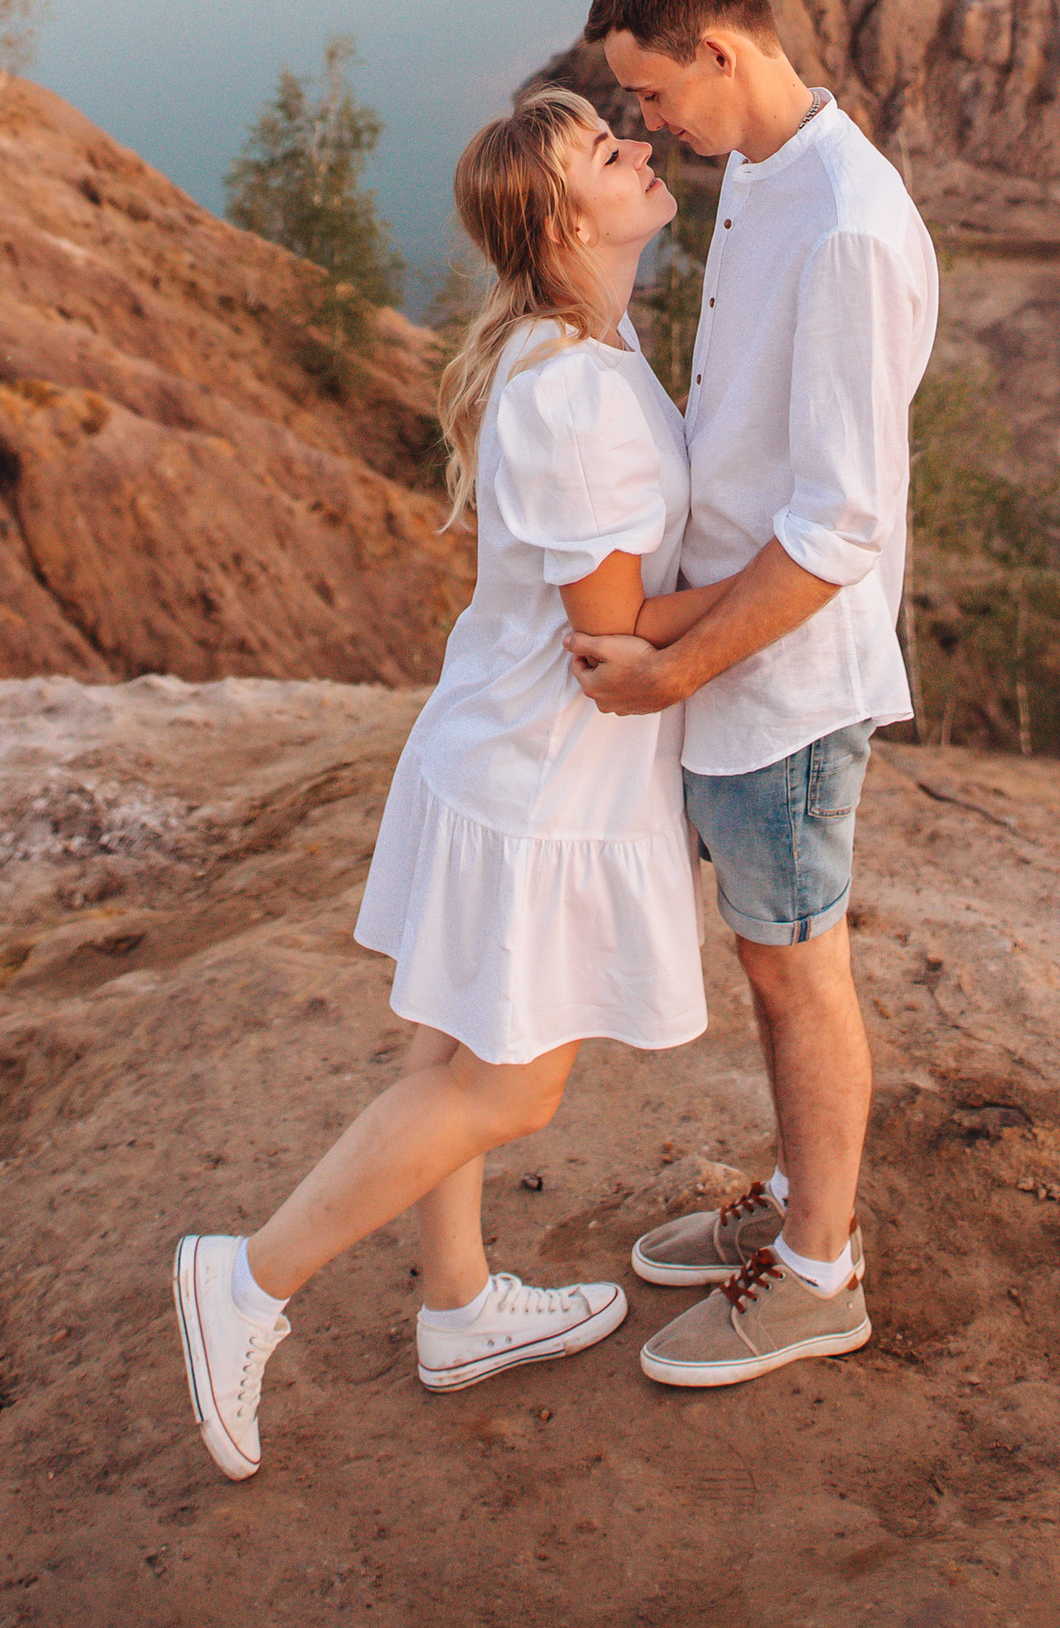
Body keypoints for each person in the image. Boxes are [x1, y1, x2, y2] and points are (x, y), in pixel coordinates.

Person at [171, 86, 726, 1479]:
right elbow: (609, 632)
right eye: (611, 153)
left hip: (501, 753)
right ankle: (248, 1279)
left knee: (457, 1041)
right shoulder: (580, 393)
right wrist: (781, 599)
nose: (642, 151)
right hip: (541, 774)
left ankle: (462, 1307)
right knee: (514, 1086)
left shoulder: (580, 352)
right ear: (558, 221)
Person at [569, 0, 937, 1391]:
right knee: (776, 964)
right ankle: (799, 1201)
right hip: (737, 663)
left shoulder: (845, 219)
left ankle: (821, 1273)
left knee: (798, 976)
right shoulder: (770, 175)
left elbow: (841, 523)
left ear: (720, 51)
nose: (646, 126)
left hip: (785, 682)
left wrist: (676, 666)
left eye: (653, 95)